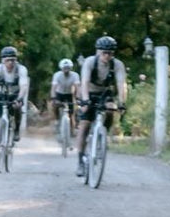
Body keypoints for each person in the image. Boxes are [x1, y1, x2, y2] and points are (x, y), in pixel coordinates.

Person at [75, 35, 128, 176]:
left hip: (105, 93)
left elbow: (121, 84)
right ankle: (80, 159)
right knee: (85, 124)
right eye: (104, 52)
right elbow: (84, 82)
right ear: (98, 51)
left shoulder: (117, 65)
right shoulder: (89, 62)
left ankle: (103, 134)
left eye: (110, 53)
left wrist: (122, 102)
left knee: (111, 109)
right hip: (89, 91)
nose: (107, 55)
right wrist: (85, 100)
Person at [0, 45, 30, 142]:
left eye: (13, 60)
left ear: (16, 60)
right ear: (3, 60)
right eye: (8, 60)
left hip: (16, 95)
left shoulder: (21, 69)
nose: (10, 63)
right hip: (2, 94)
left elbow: (24, 87)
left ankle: (17, 130)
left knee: (18, 108)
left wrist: (20, 98)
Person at [49, 58, 80, 133]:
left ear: (70, 68)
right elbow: (53, 87)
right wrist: (53, 98)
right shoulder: (57, 75)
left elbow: (77, 87)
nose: (66, 70)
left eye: (68, 68)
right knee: (55, 105)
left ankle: (71, 128)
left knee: (71, 112)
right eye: (64, 68)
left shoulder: (75, 75)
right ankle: (57, 120)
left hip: (69, 94)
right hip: (59, 93)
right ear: (61, 68)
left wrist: (78, 98)